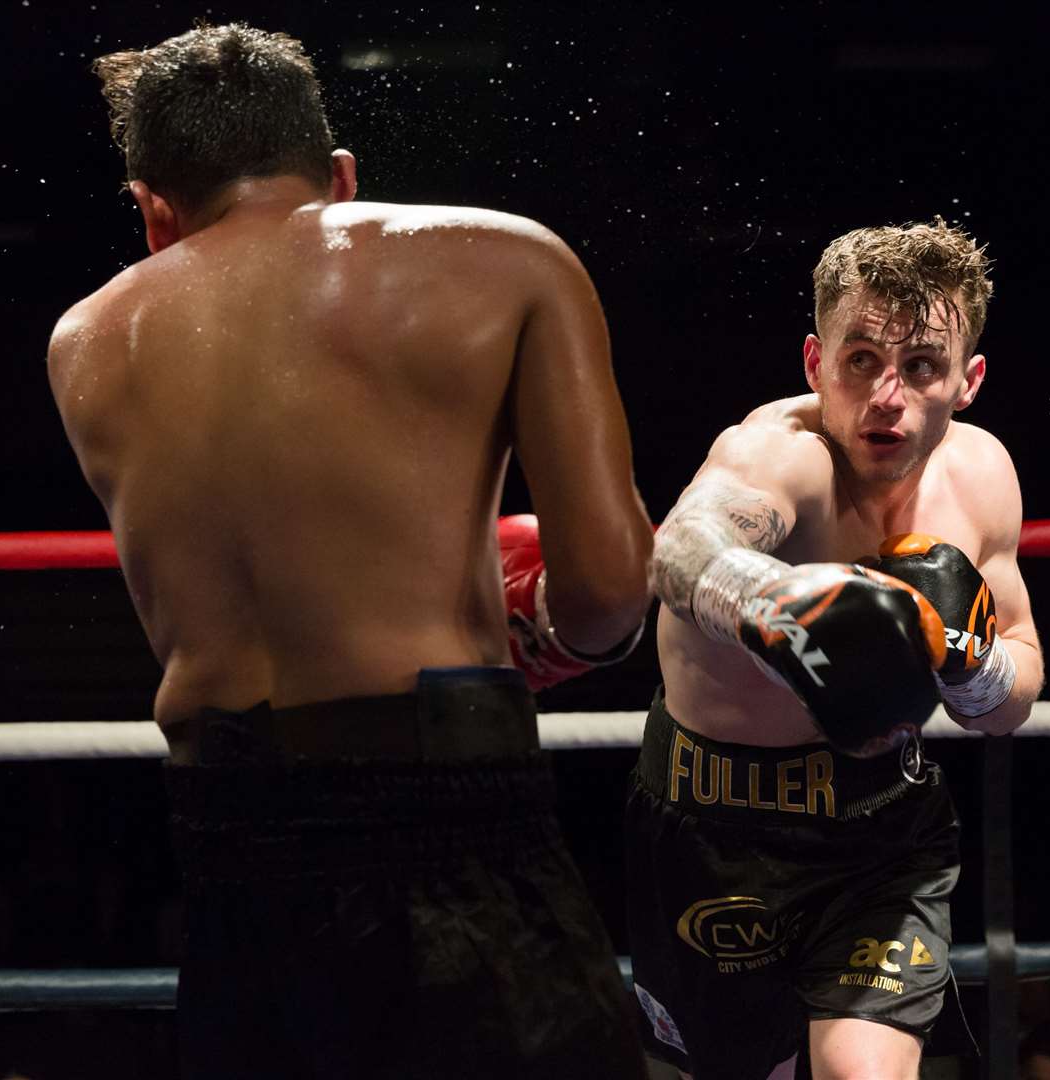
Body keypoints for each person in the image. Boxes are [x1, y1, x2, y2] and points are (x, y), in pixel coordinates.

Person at [47, 23, 654, 1079]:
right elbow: (607, 600)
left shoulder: (86, 340)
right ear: (339, 174)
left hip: (226, 826)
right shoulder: (509, 258)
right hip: (442, 797)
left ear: (152, 211)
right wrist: (545, 629)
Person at [625, 218, 1044, 1080]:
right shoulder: (774, 456)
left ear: (966, 381)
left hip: (883, 833)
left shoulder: (981, 476)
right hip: (711, 827)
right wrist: (780, 600)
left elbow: (1014, 692)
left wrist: (975, 665)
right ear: (816, 365)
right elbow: (678, 554)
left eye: (920, 365)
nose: (887, 394)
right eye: (861, 360)